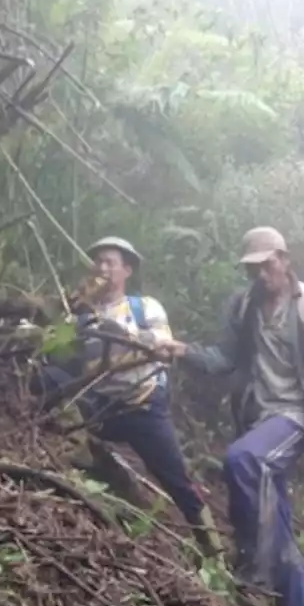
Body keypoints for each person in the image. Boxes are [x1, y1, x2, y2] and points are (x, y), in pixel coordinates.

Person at [155, 226, 304, 606]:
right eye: (252, 270)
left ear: (284, 260)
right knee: (271, 508)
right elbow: (223, 360)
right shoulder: (243, 306)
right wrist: (181, 350)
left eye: (266, 266)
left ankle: (256, 573)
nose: (260, 276)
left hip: (298, 415)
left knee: (242, 459)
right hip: (259, 417)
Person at [32, 236, 221, 557]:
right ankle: (69, 456)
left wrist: (124, 334)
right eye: (98, 262)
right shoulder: (80, 314)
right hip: (99, 406)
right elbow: (59, 357)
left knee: (177, 479)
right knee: (47, 377)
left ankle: (212, 547)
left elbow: (164, 343)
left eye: (110, 262)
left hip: (142, 406)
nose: (102, 269)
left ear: (127, 270)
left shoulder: (143, 306)